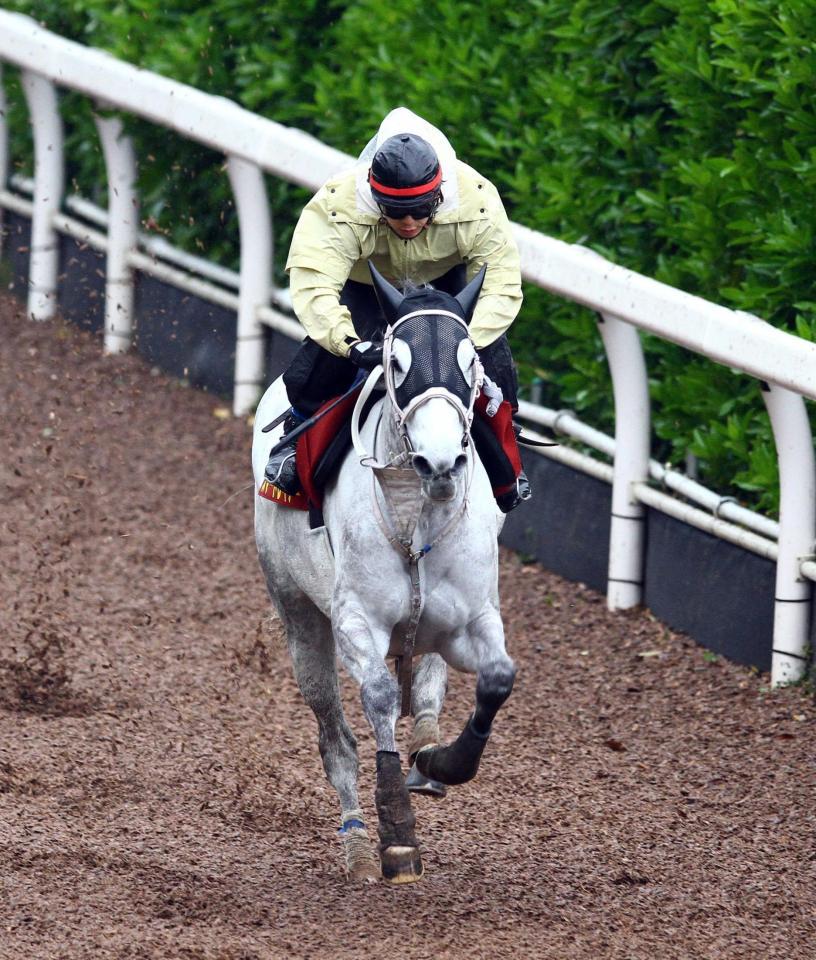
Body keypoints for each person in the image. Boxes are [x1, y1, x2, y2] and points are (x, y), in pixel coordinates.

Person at [266, 107, 531, 512]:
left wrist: (467, 341)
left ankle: (508, 457)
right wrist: (349, 343)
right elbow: (314, 285)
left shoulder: (477, 199)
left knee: (494, 361)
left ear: (440, 194)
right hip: (368, 286)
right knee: (325, 361)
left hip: (444, 287)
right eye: (393, 211)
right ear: (374, 197)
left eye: (421, 210)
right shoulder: (338, 204)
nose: (408, 222)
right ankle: (294, 435)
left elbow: (502, 283)